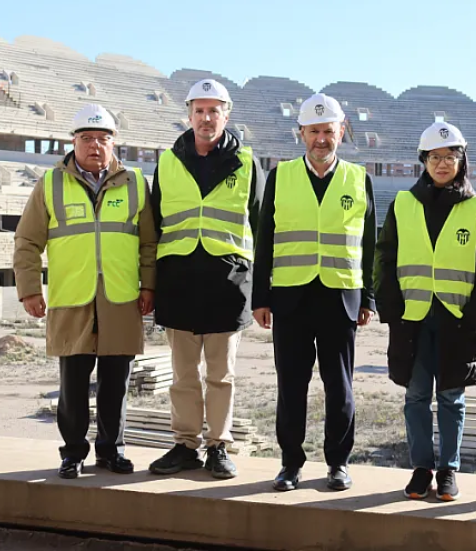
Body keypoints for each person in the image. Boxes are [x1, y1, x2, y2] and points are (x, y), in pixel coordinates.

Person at [13, 103, 157, 478]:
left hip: (121, 299)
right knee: (73, 384)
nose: (95, 146)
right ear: (73, 142)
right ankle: (73, 452)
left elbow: (148, 245)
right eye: (87, 138)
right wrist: (30, 290)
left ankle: (111, 451)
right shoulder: (50, 184)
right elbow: (27, 241)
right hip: (71, 298)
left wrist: (150, 286)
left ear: (115, 144)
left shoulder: (136, 183)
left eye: (103, 139)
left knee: (116, 384)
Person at [252, 93, 376, 492]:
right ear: (300, 133)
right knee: (291, 385)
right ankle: (290, 463)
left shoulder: (359, 179)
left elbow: (370, 244)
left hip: (341, 296)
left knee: (339, 386)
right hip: (291, 296)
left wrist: (368, 298)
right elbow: (264, 239)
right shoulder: (281, 176)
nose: (321, 139)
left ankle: (338, 462)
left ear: (341, 132)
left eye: (328, 131)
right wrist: (261, 296)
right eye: (314, 132)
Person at [375, 122, 476, 501]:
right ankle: (420, 469)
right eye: (435, 157)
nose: (443, 163)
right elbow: (384, 259)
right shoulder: (403, 204)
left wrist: (474, 316)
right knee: (415, 397)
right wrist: (391, 310)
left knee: (451, 399)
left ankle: (448, 469)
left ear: (462, 160)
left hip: (456, 322)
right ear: (423, 161)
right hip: (412, 320)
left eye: (450, 156)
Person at [147, 79, 264, 479]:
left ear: (226, 116)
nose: (206, 117)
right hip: (178, 282)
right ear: (189, 114)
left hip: (226, 285)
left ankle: (218, 445)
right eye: (199, 110)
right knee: (182, 375)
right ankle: (184, 445)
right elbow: (155, 223)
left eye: (214, 110)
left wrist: (260, 290)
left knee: (220, 375)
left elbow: (264, 228)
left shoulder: (247, 164)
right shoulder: (167, 161)